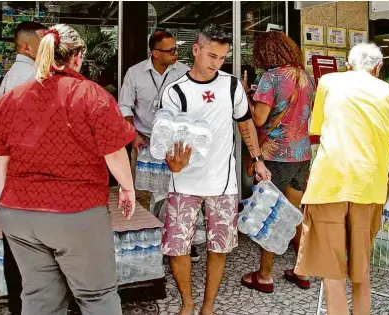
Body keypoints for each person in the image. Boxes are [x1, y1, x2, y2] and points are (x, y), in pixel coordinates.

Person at [0, 24, 136, 315]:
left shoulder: (11, 99)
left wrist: (5, 205)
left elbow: (0, 160)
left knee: (39, 299)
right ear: (77, 56)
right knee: (97, 297)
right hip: (76, 212)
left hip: (19, 214)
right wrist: (127, 188)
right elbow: (114, 152)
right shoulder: (90, 95)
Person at [294, 43, 389, 315]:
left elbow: (319, 129)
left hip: (327, 185)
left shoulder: (328, 82)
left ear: (348, 65)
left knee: (331, 272)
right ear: (379, 67)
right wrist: (386, 192)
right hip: (369, 188)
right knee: (361, 273)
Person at [160, 24, 271, 315]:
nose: (215, 63)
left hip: (223, 183)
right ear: (195, 50)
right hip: (183, 183)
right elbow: (166, 138)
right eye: (211, 55)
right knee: (177, 247)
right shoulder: (175, 91)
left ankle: (208, 306)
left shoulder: (232, 85)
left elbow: (245, 122)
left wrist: (257, 158)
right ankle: (187, 303)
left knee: (218, 247)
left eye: (221, 57)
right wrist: (173, 163)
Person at [118, 30, 204, 261]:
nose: (176, 53)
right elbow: (124, 107)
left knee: (178, 192)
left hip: (175, 144)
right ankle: (149, 239)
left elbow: (195, 106)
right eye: (171, 50)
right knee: (143, 193)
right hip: (144, 141)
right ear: (155, 53)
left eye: (176, 48)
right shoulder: (135, 73)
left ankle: (185, 240)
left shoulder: (185, 72)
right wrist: (133, 135)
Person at [239, 31, 315, 293]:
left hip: (275, 155)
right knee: (295, 215)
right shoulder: (306, 77)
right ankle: (301, 271)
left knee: (269, 212)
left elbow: (258, 119)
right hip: (302, 153)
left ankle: (265, 275)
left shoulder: (270, 78)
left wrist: (246, 97)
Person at [0, 21, 46, 315]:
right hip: (25, 176)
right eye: (43, 41)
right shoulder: (28, 76)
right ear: (26, 47)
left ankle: (19, 304)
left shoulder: (19, 74)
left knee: (18, 244)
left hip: (15, 176)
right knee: (26, 247)